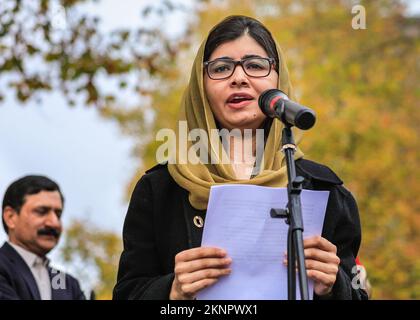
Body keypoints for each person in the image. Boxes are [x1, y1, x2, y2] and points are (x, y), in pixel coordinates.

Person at [113, 15, 368, 300]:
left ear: (279, 78)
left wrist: (334, 286)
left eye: (255, 66)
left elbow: (359, 292)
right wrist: (171, 291)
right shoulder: (161, 189)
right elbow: (127, 292)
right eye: (221, 68)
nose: (239, 78)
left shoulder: (323, 190)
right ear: (201, 88)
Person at [0, 175, 85, 300]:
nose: (54, 223)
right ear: (10, 217)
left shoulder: (65, 282)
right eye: (41, 211)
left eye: (58, 214)